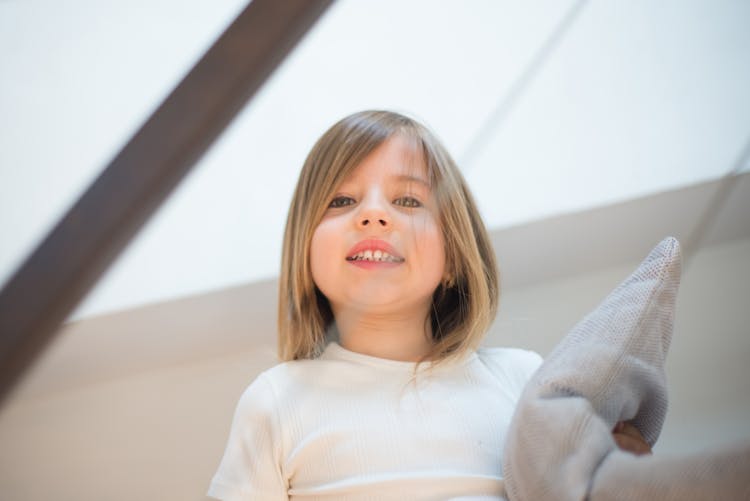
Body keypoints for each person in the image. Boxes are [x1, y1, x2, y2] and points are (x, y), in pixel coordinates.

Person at [207, 110, 648, 500]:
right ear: (305, 250)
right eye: (342, 200)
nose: (373, 215)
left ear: (454, 255)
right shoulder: (277, 400)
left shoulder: (525, 380)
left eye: (408, 200)